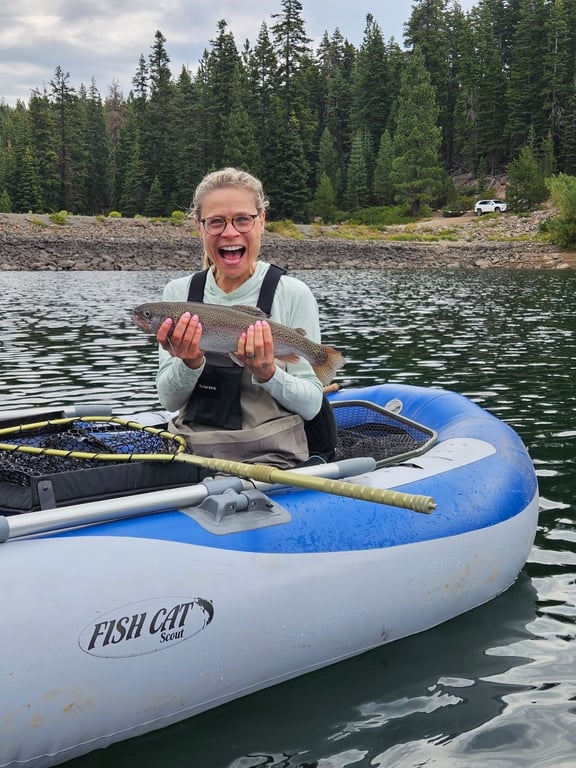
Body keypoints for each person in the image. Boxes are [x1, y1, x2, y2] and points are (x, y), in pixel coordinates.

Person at [155, 167, 334, 468]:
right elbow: (169, 401)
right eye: (216, 222)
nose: (229, 232)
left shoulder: (293, 294)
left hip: (271, 457)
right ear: (200, 228)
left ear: (261, 221)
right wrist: (189, 363)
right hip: (192, 453)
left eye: (242, 219)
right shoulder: (178, 294)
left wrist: (269, 373)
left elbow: (312, 404)